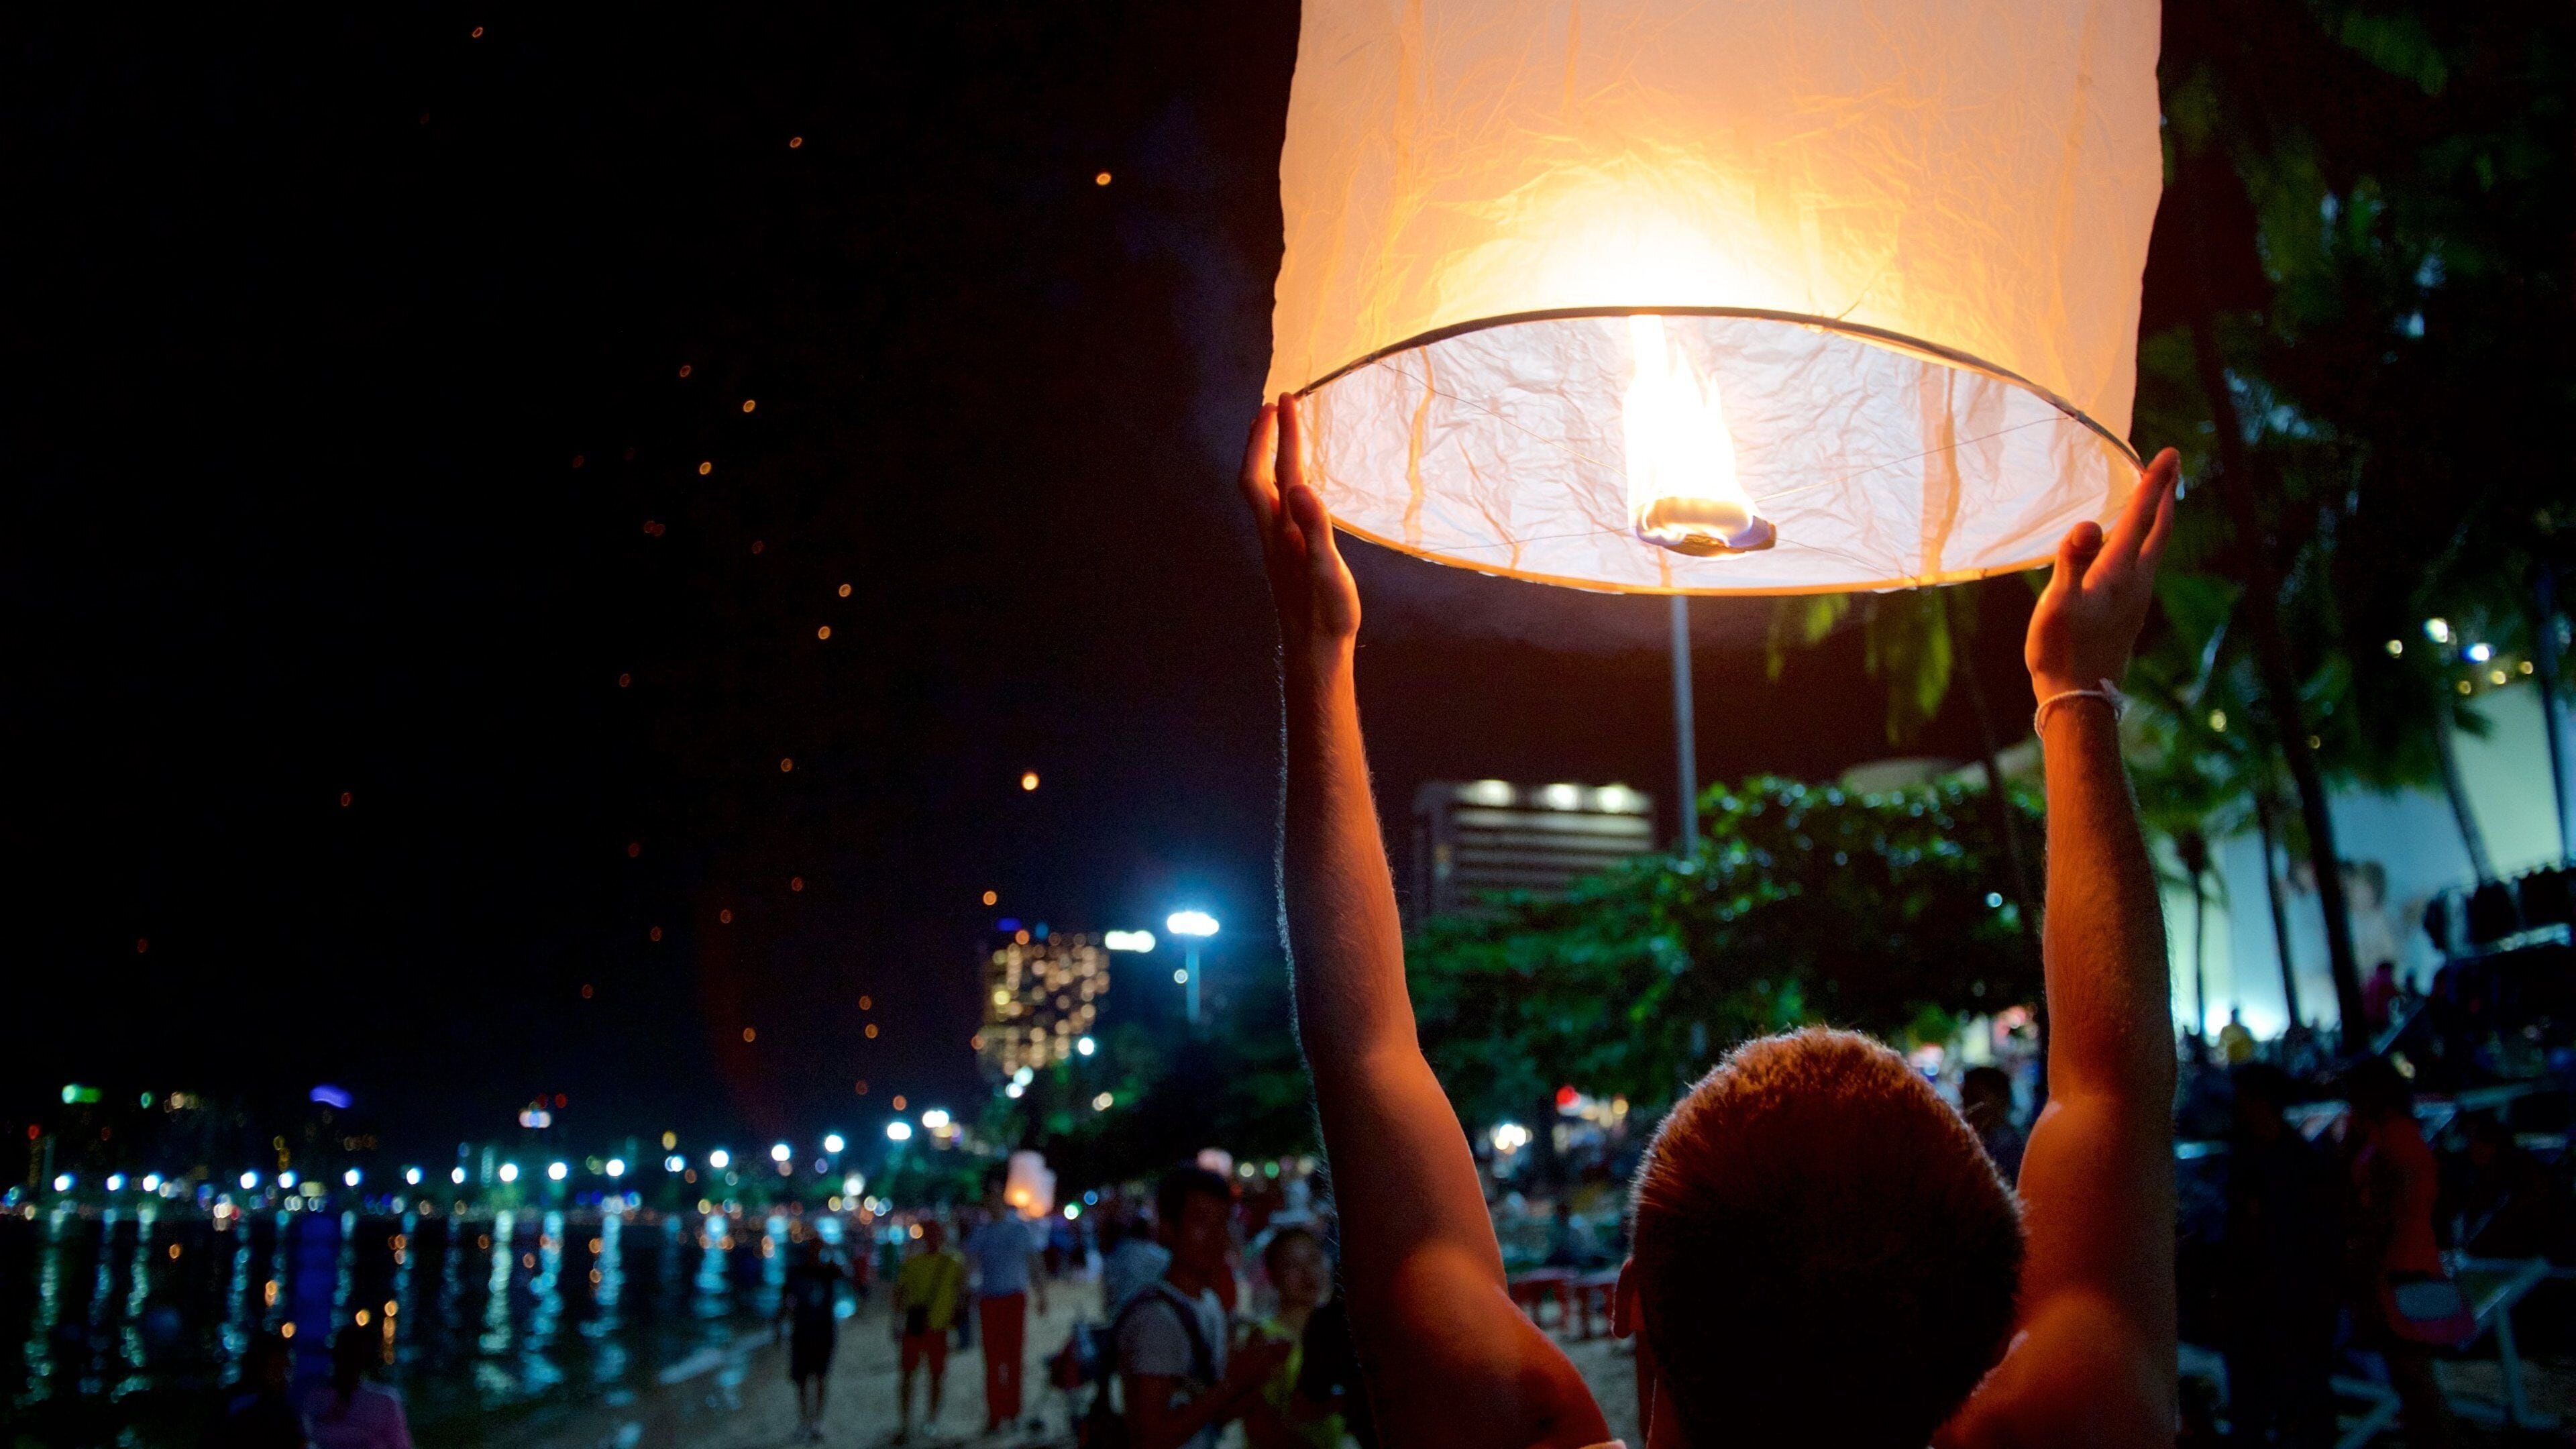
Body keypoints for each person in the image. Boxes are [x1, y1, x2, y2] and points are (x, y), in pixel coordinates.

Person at [1238, 392, 2182, 1449]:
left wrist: (1316, 650)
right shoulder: (2093, 1420)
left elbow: (1367, 1057)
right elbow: (2114, 1091)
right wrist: (2077, 691)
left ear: (1629, 1299)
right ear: (2000, 1323)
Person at [1114, 1167, 1290, 1449]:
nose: (1216, 1235)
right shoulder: (1155, 1319)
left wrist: (1256, 1373)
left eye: (1222, 1222)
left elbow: (1210, 1415)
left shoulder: (1209, 1303)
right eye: (1201, 1221)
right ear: (1168, 1229)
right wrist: (1234, 1383)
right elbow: (1150, 1438)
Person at [2220, 1064, 2342, 1448]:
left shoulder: (2290, 1161)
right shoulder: (2273, 1155)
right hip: (2266, 1293)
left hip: (2286, 1294)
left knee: (2294, 1395)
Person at [2340, 1057, 2455, 1449]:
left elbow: (2389, 1210)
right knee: (2411, 1375)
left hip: (2399, 1264)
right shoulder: (2399, 1135)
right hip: (2411, 1258)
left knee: (2412, 1374)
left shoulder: (2392, 1140)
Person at [1243, 1228, 1344, 1449]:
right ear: (1273, 1275)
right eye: (1292, 1265)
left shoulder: (1336, 1331)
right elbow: (1259, 1421)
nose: (1307, 1272)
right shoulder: (1265, 1337)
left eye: (1314, 1260)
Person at [965, 1178, 1050, 1436]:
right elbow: (970, 1265)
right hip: (990, 1300)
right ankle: (995, 1414)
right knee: (993, 1360)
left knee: (1013, 1358)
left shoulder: (1019, 1230)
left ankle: (1012, 1412)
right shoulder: (981, 1233)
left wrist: (1041, 1294)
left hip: (1013, 1299)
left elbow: (1034, 1262)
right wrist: (966, 1293)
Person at [892, 1219, 967, 1446]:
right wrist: (897, 1322)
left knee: (935, 1376)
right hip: (916, 1327)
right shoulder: (914, 1262)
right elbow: (900, 1293)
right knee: (910, 1375)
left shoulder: (953, 1262)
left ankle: (930, 1420)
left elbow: (962, 1293)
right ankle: (907, 1422)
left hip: (938, 1329)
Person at [299, 1326, 412, 1449]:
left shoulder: (383, 1402)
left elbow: (399, 1444)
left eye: (354, 1357)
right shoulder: (317, 1398)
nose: (349, 1364)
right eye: (345, 1355)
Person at [779, 1236, 845, 1441]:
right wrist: (780, 1327)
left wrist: (833, 1253)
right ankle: (805, 1421)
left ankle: (816, 1421)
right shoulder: (798, 1271)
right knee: (802, 1379)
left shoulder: (828, 1271)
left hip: (823, 1332)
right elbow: (786, 1300)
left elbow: (846, 1275)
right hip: (803, 1332)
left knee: (820, 1377)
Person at [207, 1332, 306, 1449]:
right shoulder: (240, 1406)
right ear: (261, 1367)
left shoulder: (285, 1409)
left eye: (285, 1369)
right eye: (276, 1367)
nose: (282, 1376)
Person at [1957, 1065, 2026, 1183]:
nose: (1967, 1107)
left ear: (2001, 1100)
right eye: (1965, 1098)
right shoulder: (1973, 1141)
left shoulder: (2007, 1149)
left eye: (1975, 1099)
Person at [1100, 1208, 1172, 1319]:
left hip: (1124, 1311)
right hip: (1145, 1312)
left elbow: (1109, 1282)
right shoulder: (1161, 1256)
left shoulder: (1121, 1251)